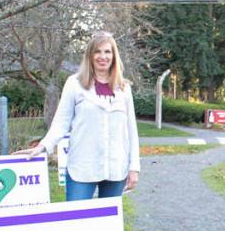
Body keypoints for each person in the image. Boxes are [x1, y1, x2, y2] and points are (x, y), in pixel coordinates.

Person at [17, 32, 140, 200]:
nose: (102, 56)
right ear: (90, 55)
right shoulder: (74, 84)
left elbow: (131, 131)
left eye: (107, 52)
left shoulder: (124, 88)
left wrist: (134, 167)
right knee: (76, 222)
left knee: (108, 224)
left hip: (116, 168)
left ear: (114, 55)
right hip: (82, 167)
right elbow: (61, 122)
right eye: (97, 52)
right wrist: (43, 146)